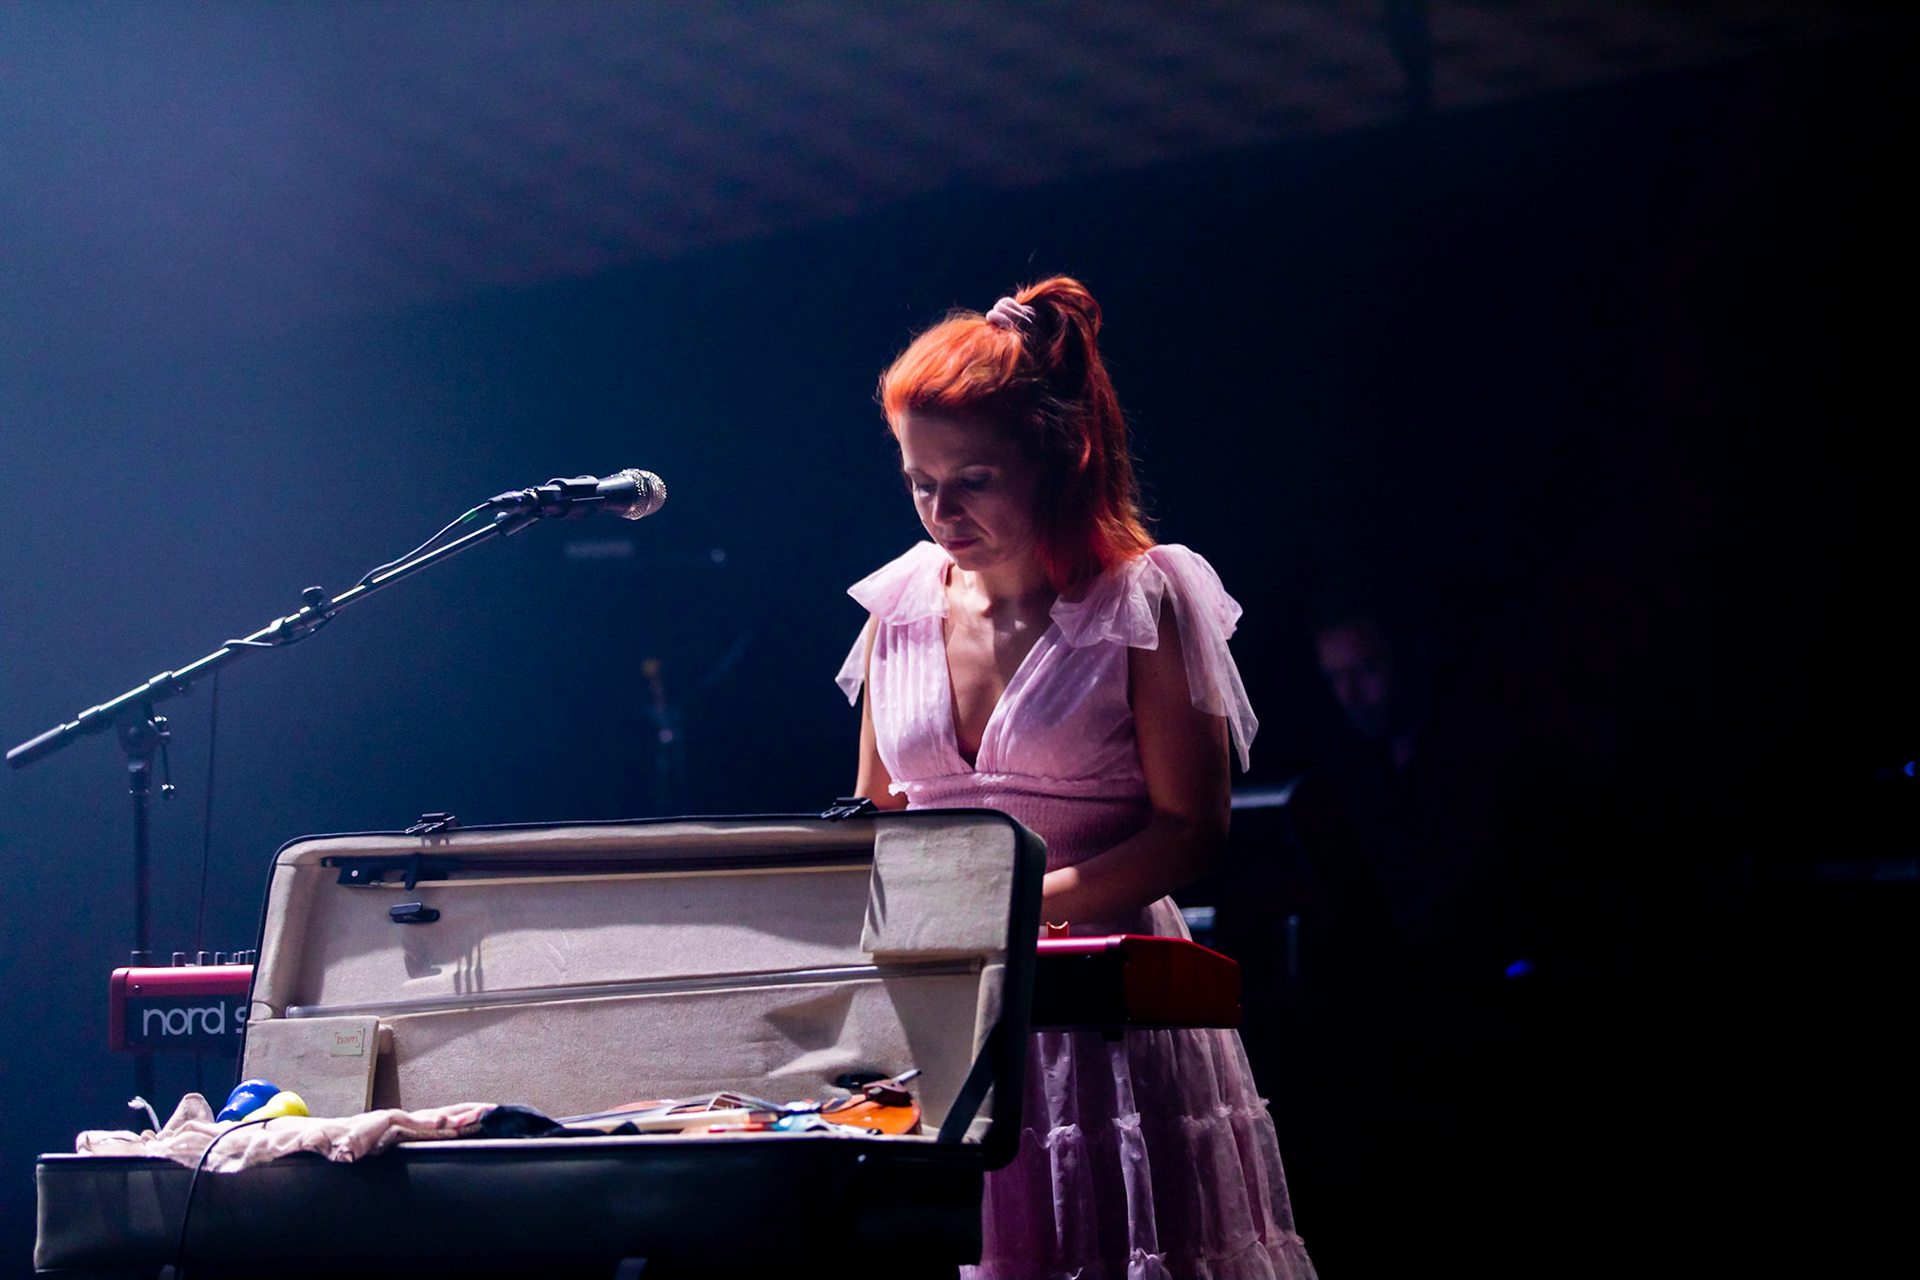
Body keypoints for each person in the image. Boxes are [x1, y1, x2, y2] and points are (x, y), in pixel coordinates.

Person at [835, 278, 1315, 1279]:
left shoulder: (1143, 596)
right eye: (919, 479)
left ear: (1062, 455)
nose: (941, 509)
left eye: (972, 477)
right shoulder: (897, 609)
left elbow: (1192, 828)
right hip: (950, 1000)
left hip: (1100, 997)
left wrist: (1016, 907)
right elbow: (878, 810)